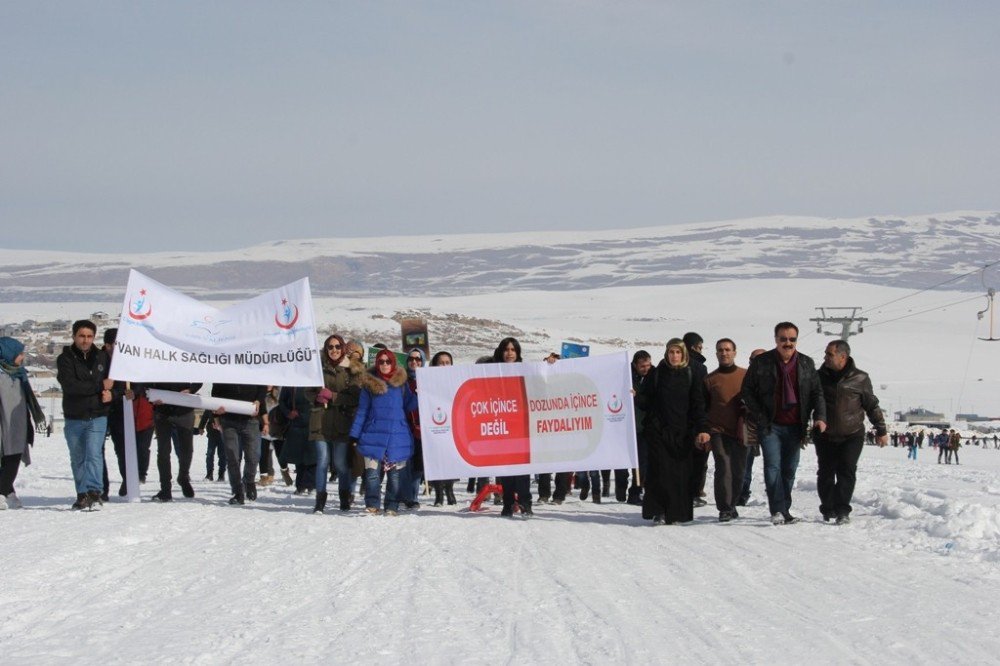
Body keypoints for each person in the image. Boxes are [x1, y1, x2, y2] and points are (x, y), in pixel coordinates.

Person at [741, 322, 826, 525]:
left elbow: (817, 392)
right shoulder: (762, 362)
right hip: (770, 425)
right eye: (783, 339)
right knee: (772, 466)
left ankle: (784, 508)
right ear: (776, 340)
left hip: (796, 425)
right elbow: (747, 390)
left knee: (789, 468)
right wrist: (760, 414)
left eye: (792, 339)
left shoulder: (806, 363)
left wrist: (820, 417)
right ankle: (777, 510)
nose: (788, 343)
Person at [636, 338, 710, 525]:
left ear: (683, 354)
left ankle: (676, 512)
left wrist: (702, 428)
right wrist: (636, 396)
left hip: (683, 433)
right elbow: (646, 401)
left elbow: (698, 404)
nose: (674, 356)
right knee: (660, 471)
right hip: (658, 431)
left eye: (678, 352)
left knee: (680, 473)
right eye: (671, 352)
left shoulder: (691, 374)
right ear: (666, 353)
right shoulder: (657, 373)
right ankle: (659, 511)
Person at [815, 340, 888, 524]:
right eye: (825, 353)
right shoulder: (818, 377)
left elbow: (871, 405)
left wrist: (881, 429)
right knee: (825, 473)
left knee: (847, 470)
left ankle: (842, 510)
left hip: (852, 434)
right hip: (825, 435)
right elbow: (808, 404)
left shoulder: (860, 378)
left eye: (829, 354)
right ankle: (828, 507)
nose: (825, 357)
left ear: (842, 356)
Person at [350, 348, 417, 516]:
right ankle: (372, 504)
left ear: (393, 363)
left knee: (394, 476)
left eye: (388, 361)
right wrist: (354, 433)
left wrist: (418, 396)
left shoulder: (401, 384)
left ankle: (392, 505)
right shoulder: (369, 385)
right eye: (381, 361)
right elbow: (362, 411)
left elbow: (410, 406)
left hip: (397, 436)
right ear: (377, 363)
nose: (385, 364)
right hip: (373, 434)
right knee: (372, 474)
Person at [57, 320, 114, 511]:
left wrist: (111, 393)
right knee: (78, 457)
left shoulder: (102, 357)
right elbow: (71, 386)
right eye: (82, 336)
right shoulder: (66, 359)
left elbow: (114, 382)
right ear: (74, 336)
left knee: (94, 454)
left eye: (89, 336)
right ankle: (81, 493)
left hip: (97, 414)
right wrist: (99, 387)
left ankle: (94, 491)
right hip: (74, 416)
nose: (85, 340)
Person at [311, 334, 364, 513]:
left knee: (341, 463)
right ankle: (320, 499)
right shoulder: (317, 368)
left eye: (337, 347)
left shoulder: (351, 370)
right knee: (322, 461)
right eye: (330, 347)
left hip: (342, 422)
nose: (334, 350)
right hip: (320, 421)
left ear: (342, 349)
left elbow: (355, 396)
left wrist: (332, 396)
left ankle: (344, 495)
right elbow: (306, 391)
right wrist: (314, 396)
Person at [102, 328, 154, 496]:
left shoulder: (130, 360)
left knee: (136, 447)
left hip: (129, 409)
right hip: (109, 410)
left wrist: (134, 392)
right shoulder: (101, 360)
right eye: (114, 344)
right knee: (120, 449)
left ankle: (134, 476)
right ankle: (123, 479)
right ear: (107, 345)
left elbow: (140, 382)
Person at [704, 337, 748, 522]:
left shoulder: (746, 375)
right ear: (716, 354)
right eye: (720, 350)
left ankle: (733, 503)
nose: (724, 353)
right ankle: (724, 508)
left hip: (741, 431)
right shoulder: (709, 380)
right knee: (723, 466)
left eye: (727, 349)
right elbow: (703, 408)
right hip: (718, 430)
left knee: (739, 470)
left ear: (735, 352)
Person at [0, 337, 45, 510]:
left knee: (14, 458)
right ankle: (4, 492)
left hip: (18, 426)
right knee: (7, 460)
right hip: (4, 426)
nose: (22, 357)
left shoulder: (19, 374)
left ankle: (6, 492)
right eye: (19, 354)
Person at [493, 337, 534, 517]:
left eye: (513, 350)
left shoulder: (526, 371)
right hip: (501, 425)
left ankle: (525, 502)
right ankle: (508, 503)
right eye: (506, 349)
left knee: (523, 469)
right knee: (506, 469)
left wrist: (551, 363)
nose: (509, 353)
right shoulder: (491, 372)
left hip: (521, 426)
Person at [212, 382, 269, 505]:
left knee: (253, 456)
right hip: (228, 421)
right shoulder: (222, 373)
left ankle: (249, 481)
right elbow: (214, 396)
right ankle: (238, 491)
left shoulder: (253, 370)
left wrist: (265, 421)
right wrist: (216, 417)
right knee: (232, 457)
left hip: (250, 420)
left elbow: (262, 388)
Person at [147, 380, 202, 502]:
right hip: (162, 410)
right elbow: (147, 381)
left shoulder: (188, 362)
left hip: (185, 409)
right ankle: (165, 489)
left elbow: (200, 376)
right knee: (163, 451)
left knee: (187, 449)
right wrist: (152, 396)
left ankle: (183, 476)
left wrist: (191, 390)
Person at [683, 332, 710, 508]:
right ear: (693, 347)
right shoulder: (699, 368)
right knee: (697, 460)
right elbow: (702, 398)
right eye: (700, 347)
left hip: (677, 421)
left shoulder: (667, 364)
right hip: (694, 420)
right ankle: (693, 493)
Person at [736, 348, 766, 506]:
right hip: (749, 425)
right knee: (745, 461)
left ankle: (777, 496)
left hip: (771, 425)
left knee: (774, 463)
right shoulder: (744, 378)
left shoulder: (776, 377)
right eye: (753, 360)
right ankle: (742, 493)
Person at [428, 351, 458, 506]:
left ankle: (450, 490)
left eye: (448, 362)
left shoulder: (456, 379)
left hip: (453, 424)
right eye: (442, 362)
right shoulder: (428, 380)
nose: (445, 365)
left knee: (451, 459)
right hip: (436, 423)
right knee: (437, 459)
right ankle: (439, 494)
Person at [400, 348, 426, 509]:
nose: (414, 362)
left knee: (418, 465)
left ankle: (413, 495)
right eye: (411, 359)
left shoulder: (427, 380)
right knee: (404, 463)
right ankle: (405, 496)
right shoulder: (400, 380)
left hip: (421, 428)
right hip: (404, 426)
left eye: (418, 359)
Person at [626, 350, 653, 505]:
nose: (646, 368)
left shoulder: (653, 376)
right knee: (636, 462)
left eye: (648, 365)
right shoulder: (627, 376)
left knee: (644, 462)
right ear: (635, 365)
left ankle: (638, 491)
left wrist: (638, 397)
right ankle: (633, 492)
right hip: (631, 425)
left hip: (646, 426)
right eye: (642, 366)